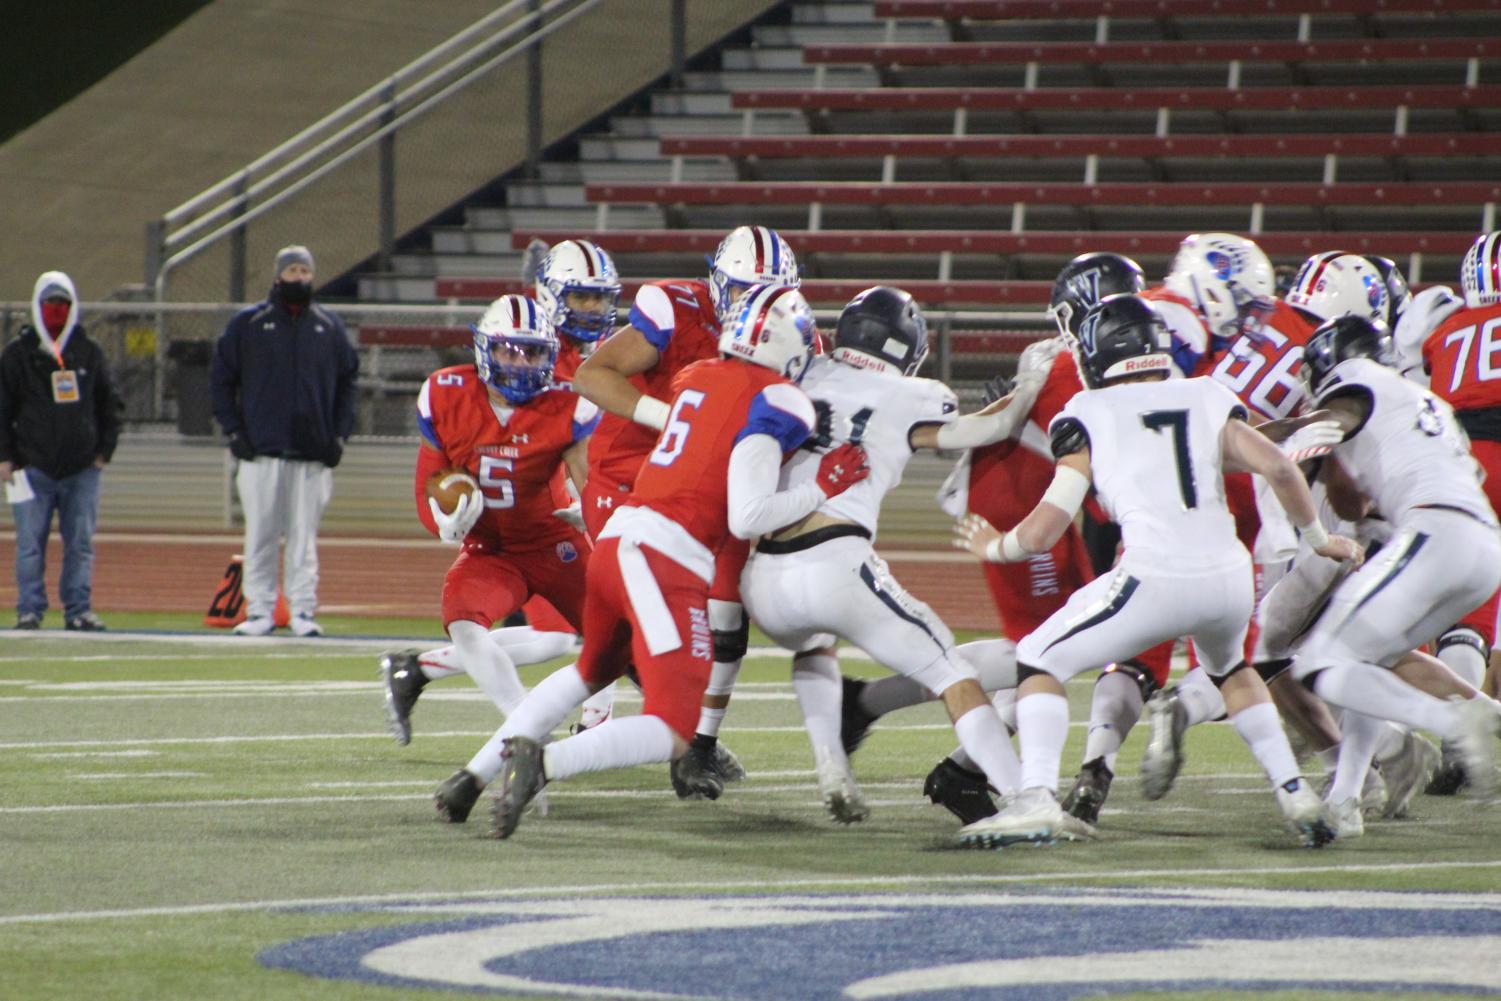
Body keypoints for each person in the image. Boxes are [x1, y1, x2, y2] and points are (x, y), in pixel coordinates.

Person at [445, 284, 866, 838]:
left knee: (589, 671)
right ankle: (542, 764)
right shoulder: (781, 399)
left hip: (618, 540)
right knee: (675, 726)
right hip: (665, 559)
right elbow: (748, 515)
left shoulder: (697, 377)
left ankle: (470, 778)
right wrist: (825, 483)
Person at [954, 293, 1361, 849]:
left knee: (1038, 655)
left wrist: (996, 545)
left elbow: (1047, 528)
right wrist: (1320, 538)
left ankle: (1035, 798)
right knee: (1233, 672)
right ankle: (1296, 793)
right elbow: (1276, 466)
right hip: (1228, 578)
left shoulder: (1085, 411)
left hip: (1155, 573)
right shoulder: (1207, 393)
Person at [741, 286, 1038, 826]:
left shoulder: (801, 372)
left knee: (815, 644)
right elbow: (983, 430)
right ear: (908, 346)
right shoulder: (915, 393)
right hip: (835, 561)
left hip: (760, 579)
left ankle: (831, 761)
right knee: (952, 672)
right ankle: (1025, 799)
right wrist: (1025, 393)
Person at [571, 225, 802, 795]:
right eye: (746, 290)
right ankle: (581, 729)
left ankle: (695, 747)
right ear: (719, 285)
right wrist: (664, 418)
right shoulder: (675, 308)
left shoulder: (791, 332)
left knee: (726, 621)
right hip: (630, 481)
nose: (756, 305)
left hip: (712, 494)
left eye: (768, 292)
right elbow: (591, 374)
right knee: (633, 628)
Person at [1290, 313, 1501, 813]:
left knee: (1319, 664)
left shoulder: (1354, 382)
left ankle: (1458, 724)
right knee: (1370, 661)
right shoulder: (1426, 403)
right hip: (1484, 545)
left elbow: (1321, 436)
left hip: (1435, 532)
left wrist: (1277, 445)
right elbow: (1355, 505)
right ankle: (1345, 800)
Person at [380, 295, 597, 748]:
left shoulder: (566, 402)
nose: (520, 363)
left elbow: (591, 480)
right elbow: (427, 490)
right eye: (508, 350)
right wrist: (445, 522)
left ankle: (694, 741)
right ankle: (525, 732)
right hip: (489, 550)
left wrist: (594, 510)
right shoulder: (445, 394)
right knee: (464, 622)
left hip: (554, 541)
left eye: (533, 352)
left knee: (617, 634)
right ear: (484, 349)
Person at [210, 246, 358, 637]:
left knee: (303, 538)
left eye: (304, 270)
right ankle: (259, 610)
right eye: (292, 270)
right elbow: (221, 381)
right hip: (261, 453)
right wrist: (234, 431)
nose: (299, 277)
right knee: (259, 535)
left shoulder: (328, 326)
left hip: (312, 455)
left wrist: (340, 435)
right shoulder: (249, 324)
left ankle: (302, 611)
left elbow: (348, 385)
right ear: (278, 276)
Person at [0, 271, 123, 630]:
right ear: (38, 307)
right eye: (50, 304)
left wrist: (103, 452)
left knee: (81, 543)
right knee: (29, 543)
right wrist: (5, 456)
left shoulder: (88, 351)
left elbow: (109, 405)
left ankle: (78, 608)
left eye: (63, 304)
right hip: (31, 466)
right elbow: (2, 408)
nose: (57, 311)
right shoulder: (17, 355)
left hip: (81, 467)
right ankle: (29, 608)